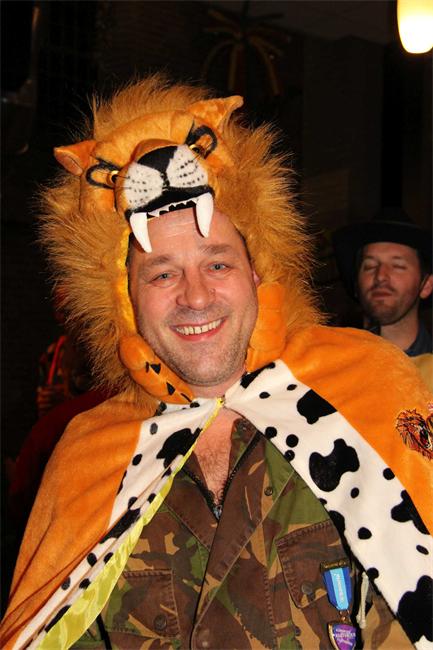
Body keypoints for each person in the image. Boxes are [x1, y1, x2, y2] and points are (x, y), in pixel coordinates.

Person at [1, 76, 432, 650]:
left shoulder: (370, 387)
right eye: (161, 273)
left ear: (257, 272)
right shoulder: (88, 457)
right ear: (126, 300)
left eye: (218, 264)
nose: (196, 296)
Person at [332, 208, 433, 387]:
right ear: (356, 285)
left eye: (398, 266)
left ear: (426, 285)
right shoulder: (329, 366)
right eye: (370, 266)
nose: (380, 276)